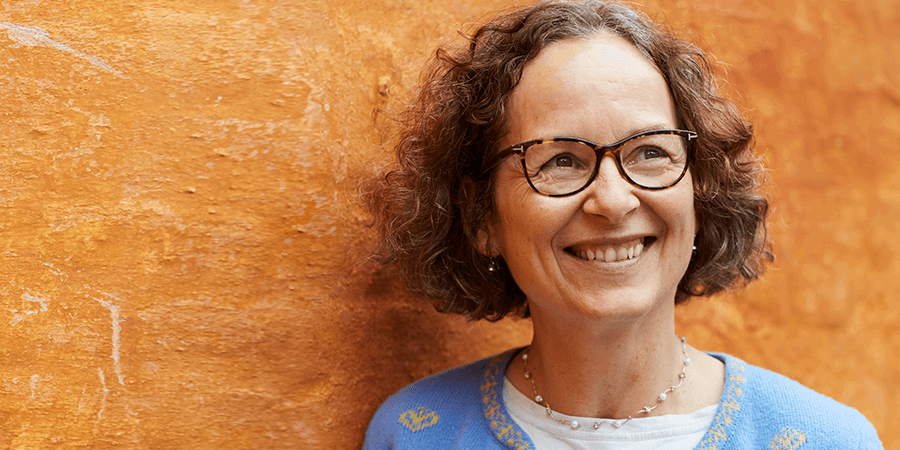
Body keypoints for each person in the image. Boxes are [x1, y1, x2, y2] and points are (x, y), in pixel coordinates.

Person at [361, 1, 883, 448]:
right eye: (560, 160)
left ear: (699, 190)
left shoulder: (828, 440)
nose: (612, 202)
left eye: (650, 152)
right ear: (482, 217)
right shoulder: (414, 434)